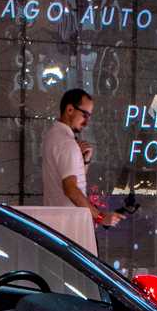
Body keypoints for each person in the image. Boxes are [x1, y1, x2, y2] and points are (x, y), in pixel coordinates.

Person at [41, 89, 123, 228]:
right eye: (85, 115)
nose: (86, 122)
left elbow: (71, 180)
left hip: (57, 223)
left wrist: (84, 161)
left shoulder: (52, 136)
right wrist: (100, 217)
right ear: (70, 109)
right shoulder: (67, 143)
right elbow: (71, 190)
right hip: (69, 225)